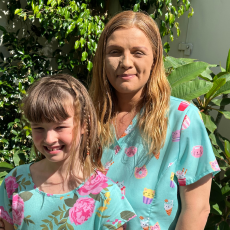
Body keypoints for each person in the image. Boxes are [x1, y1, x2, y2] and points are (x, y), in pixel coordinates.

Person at [89, 11, 220, 230]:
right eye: (115, 52)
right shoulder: (87, 118)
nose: (126, 62)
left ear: (155, 58)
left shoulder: (182, 118)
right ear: (102, 59)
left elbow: (196, 210)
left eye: (138, 52)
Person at [0, 74, 136, 230]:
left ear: (85, 124)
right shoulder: (15, 182)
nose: (49, 139)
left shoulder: (106, 195)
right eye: (38, 128)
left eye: (60, 127)